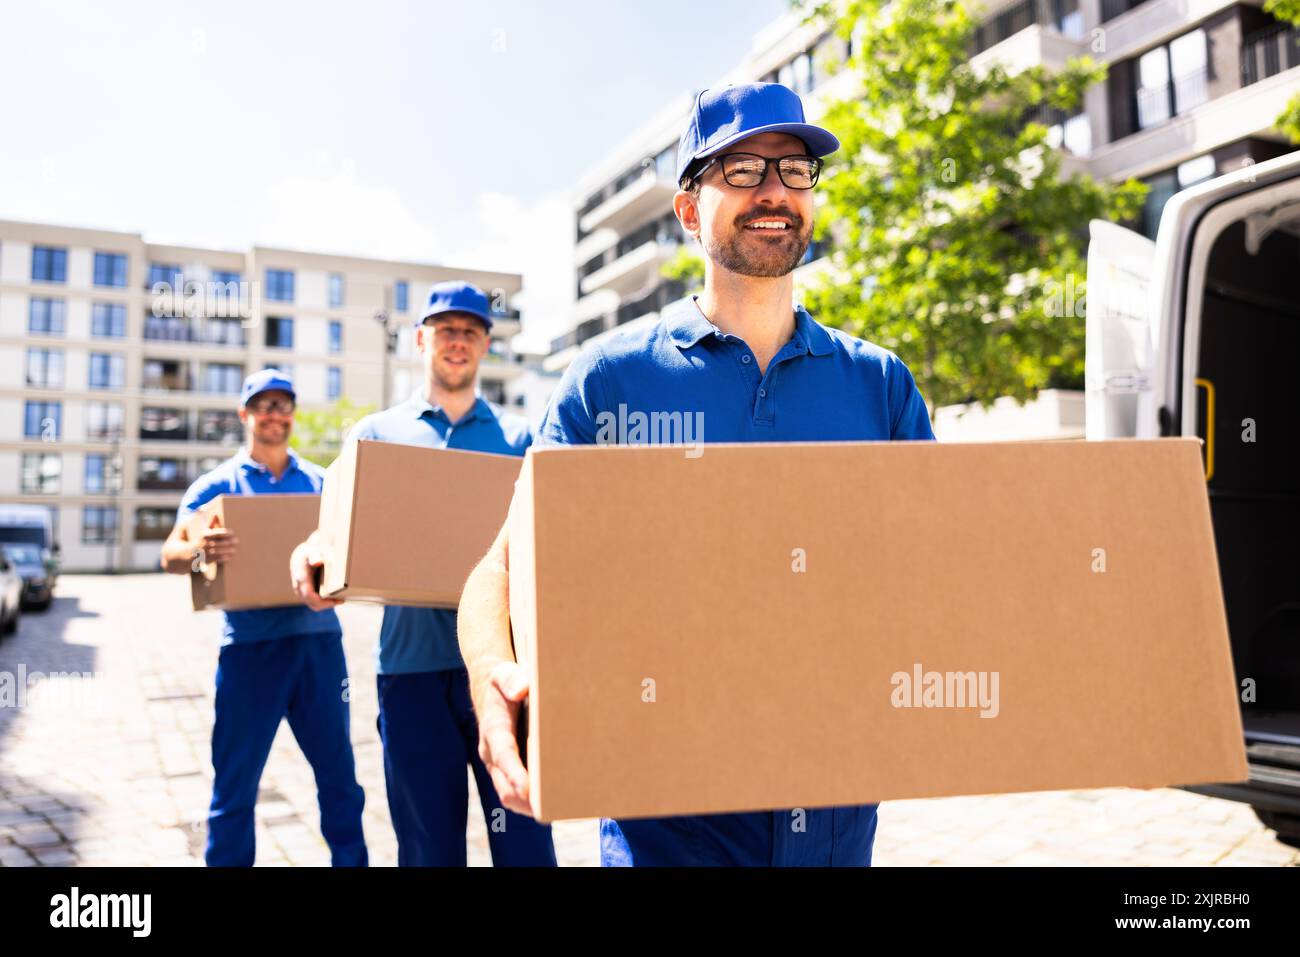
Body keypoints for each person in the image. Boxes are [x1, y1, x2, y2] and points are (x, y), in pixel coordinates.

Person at [458, 83, 936, 866]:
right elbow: (501, 565)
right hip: (667, 821)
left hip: (836, 815)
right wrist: (489, 675)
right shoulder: (610, 380)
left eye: (795, 170)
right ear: (687, 211)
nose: (776, 191)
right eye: (743, 170)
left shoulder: (879, 384)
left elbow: (940, 568)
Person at [290, 281, 557, 867]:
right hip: (411, 674)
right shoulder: (376, 435)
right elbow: (330, 532)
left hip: (505, 672)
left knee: (527, 846)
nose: (457, 342)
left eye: (470, 331)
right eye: (445, 331)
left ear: (486, 345)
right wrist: (309, 556)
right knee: (427, 850)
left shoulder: (520, 440)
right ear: (420, 340)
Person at [160, 368, 367, 867]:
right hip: (249, 650)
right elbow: (171, 554)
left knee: (340, 780)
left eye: (283, 405)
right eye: (264, 405)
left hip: (319, 647)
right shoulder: (216, 488)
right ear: (245, 414)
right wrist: (198, 549)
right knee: (234, 783)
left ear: (292, 414)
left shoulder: (321, 482)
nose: (275, 415)